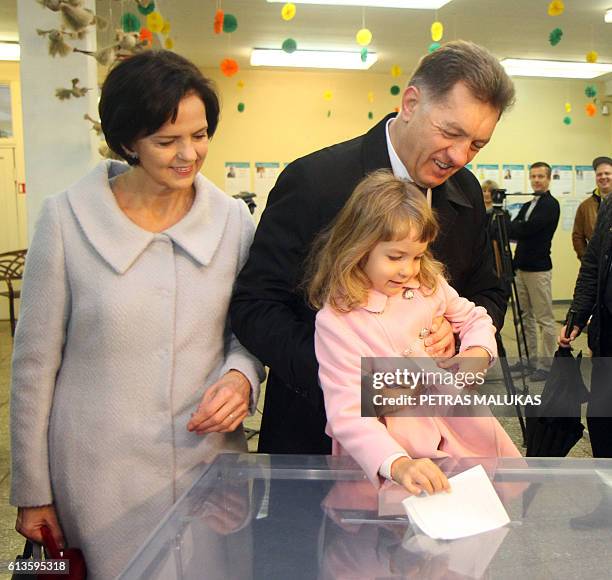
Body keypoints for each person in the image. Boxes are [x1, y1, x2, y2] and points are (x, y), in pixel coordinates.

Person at [10, 50, 263, 579]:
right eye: (166, 141)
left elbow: (248, 329)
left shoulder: (233, 221)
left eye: (199, 135)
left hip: (209, 467)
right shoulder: (66, 219)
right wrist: (32, 491)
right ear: (127, 142)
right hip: (100, 474)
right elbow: (34, 366)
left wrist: (241, 377)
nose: (188, 154)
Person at [231, 40, 516, 455]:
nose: (458, 156)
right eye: (450, 133)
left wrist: (455, 336)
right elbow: (255, 307)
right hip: (318, 434)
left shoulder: (466, 192)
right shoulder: (314, 182)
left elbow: (487, 292)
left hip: (435, 440)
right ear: (411, 102)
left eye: (476, 145)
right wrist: (353, 378)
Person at [309, 171, 520, 492]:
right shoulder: (337, 320)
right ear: (359, 247)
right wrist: (397, 462)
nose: (408, 269)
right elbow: (348, 412)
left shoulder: (428, 284)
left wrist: (477, 353)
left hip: (456, 428)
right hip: (387, 449)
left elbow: (475, 318)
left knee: (471, 510)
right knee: (386, 529)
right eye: (395, 257)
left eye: (418, 256)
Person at [560, 195, 612, 457]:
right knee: (602, 419)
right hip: (607, 334)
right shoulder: (610, 203)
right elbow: (593, 264)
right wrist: (577, 316)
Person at [508, 162, 560, 381]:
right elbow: (514, 228)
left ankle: (546, 366)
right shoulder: (529, 203)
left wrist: (517, 228)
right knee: (523, 317)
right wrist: (517, 228)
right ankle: (528, 359)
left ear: (548, 179)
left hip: (538, 270)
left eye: (541, 176)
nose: (536, 180)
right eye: (533, 176)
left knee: (545, 320)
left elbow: (525, 229)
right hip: (520, 267)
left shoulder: (550, 205)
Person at [572, 156, 612, 260]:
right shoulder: (585, 206)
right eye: (599, 174)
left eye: (607, 173)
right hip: (595, 266)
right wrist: (586, 259)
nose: (603, 177)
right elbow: (577, 236)